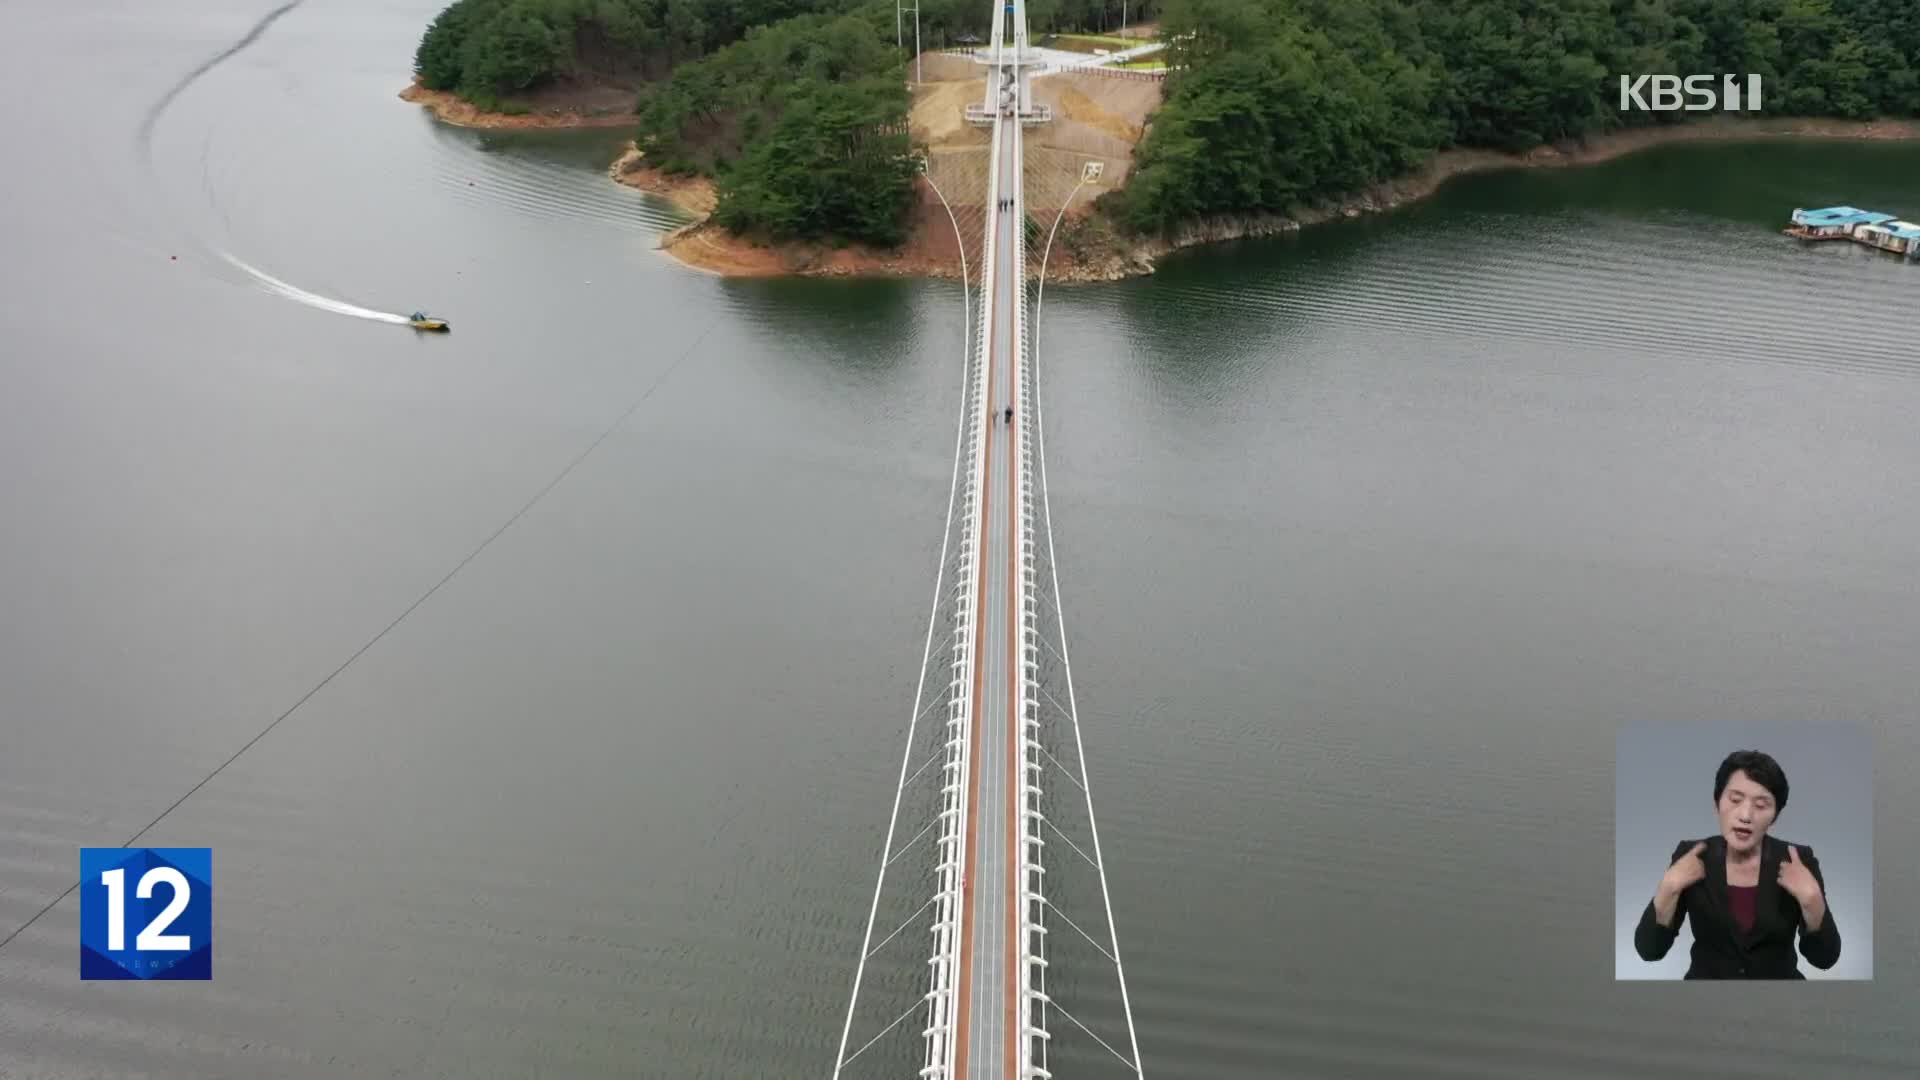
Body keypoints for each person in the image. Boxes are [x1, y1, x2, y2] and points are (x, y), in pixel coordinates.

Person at [1633, 750, 1841, 978]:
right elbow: (1649, 951)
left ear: (1775, 816)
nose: (1745, 815)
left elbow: (1825, 959)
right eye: (1735, 800)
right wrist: (1669, 886)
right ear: (1716, 803)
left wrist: (1812, 899)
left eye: (1761, 805)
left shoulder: (1797, 860)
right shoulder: (1691, 855)